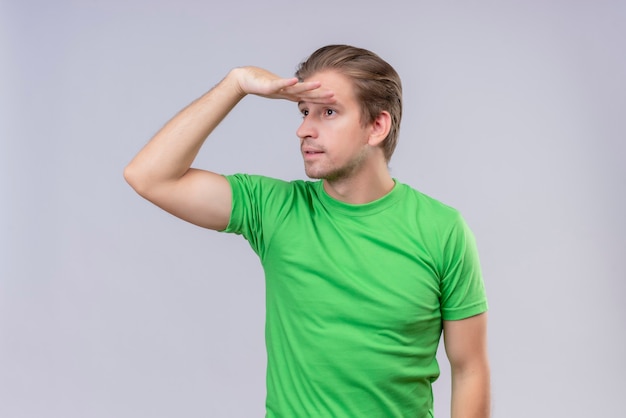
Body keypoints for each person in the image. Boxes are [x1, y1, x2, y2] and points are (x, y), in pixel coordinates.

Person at [124, 45, 490, 418]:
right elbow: (149, 177)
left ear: (377, 126)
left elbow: (469, 369)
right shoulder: (273, 209)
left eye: (328, 112)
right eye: (303, 112)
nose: (303, 130)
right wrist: (236, 84)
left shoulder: (442, 229)